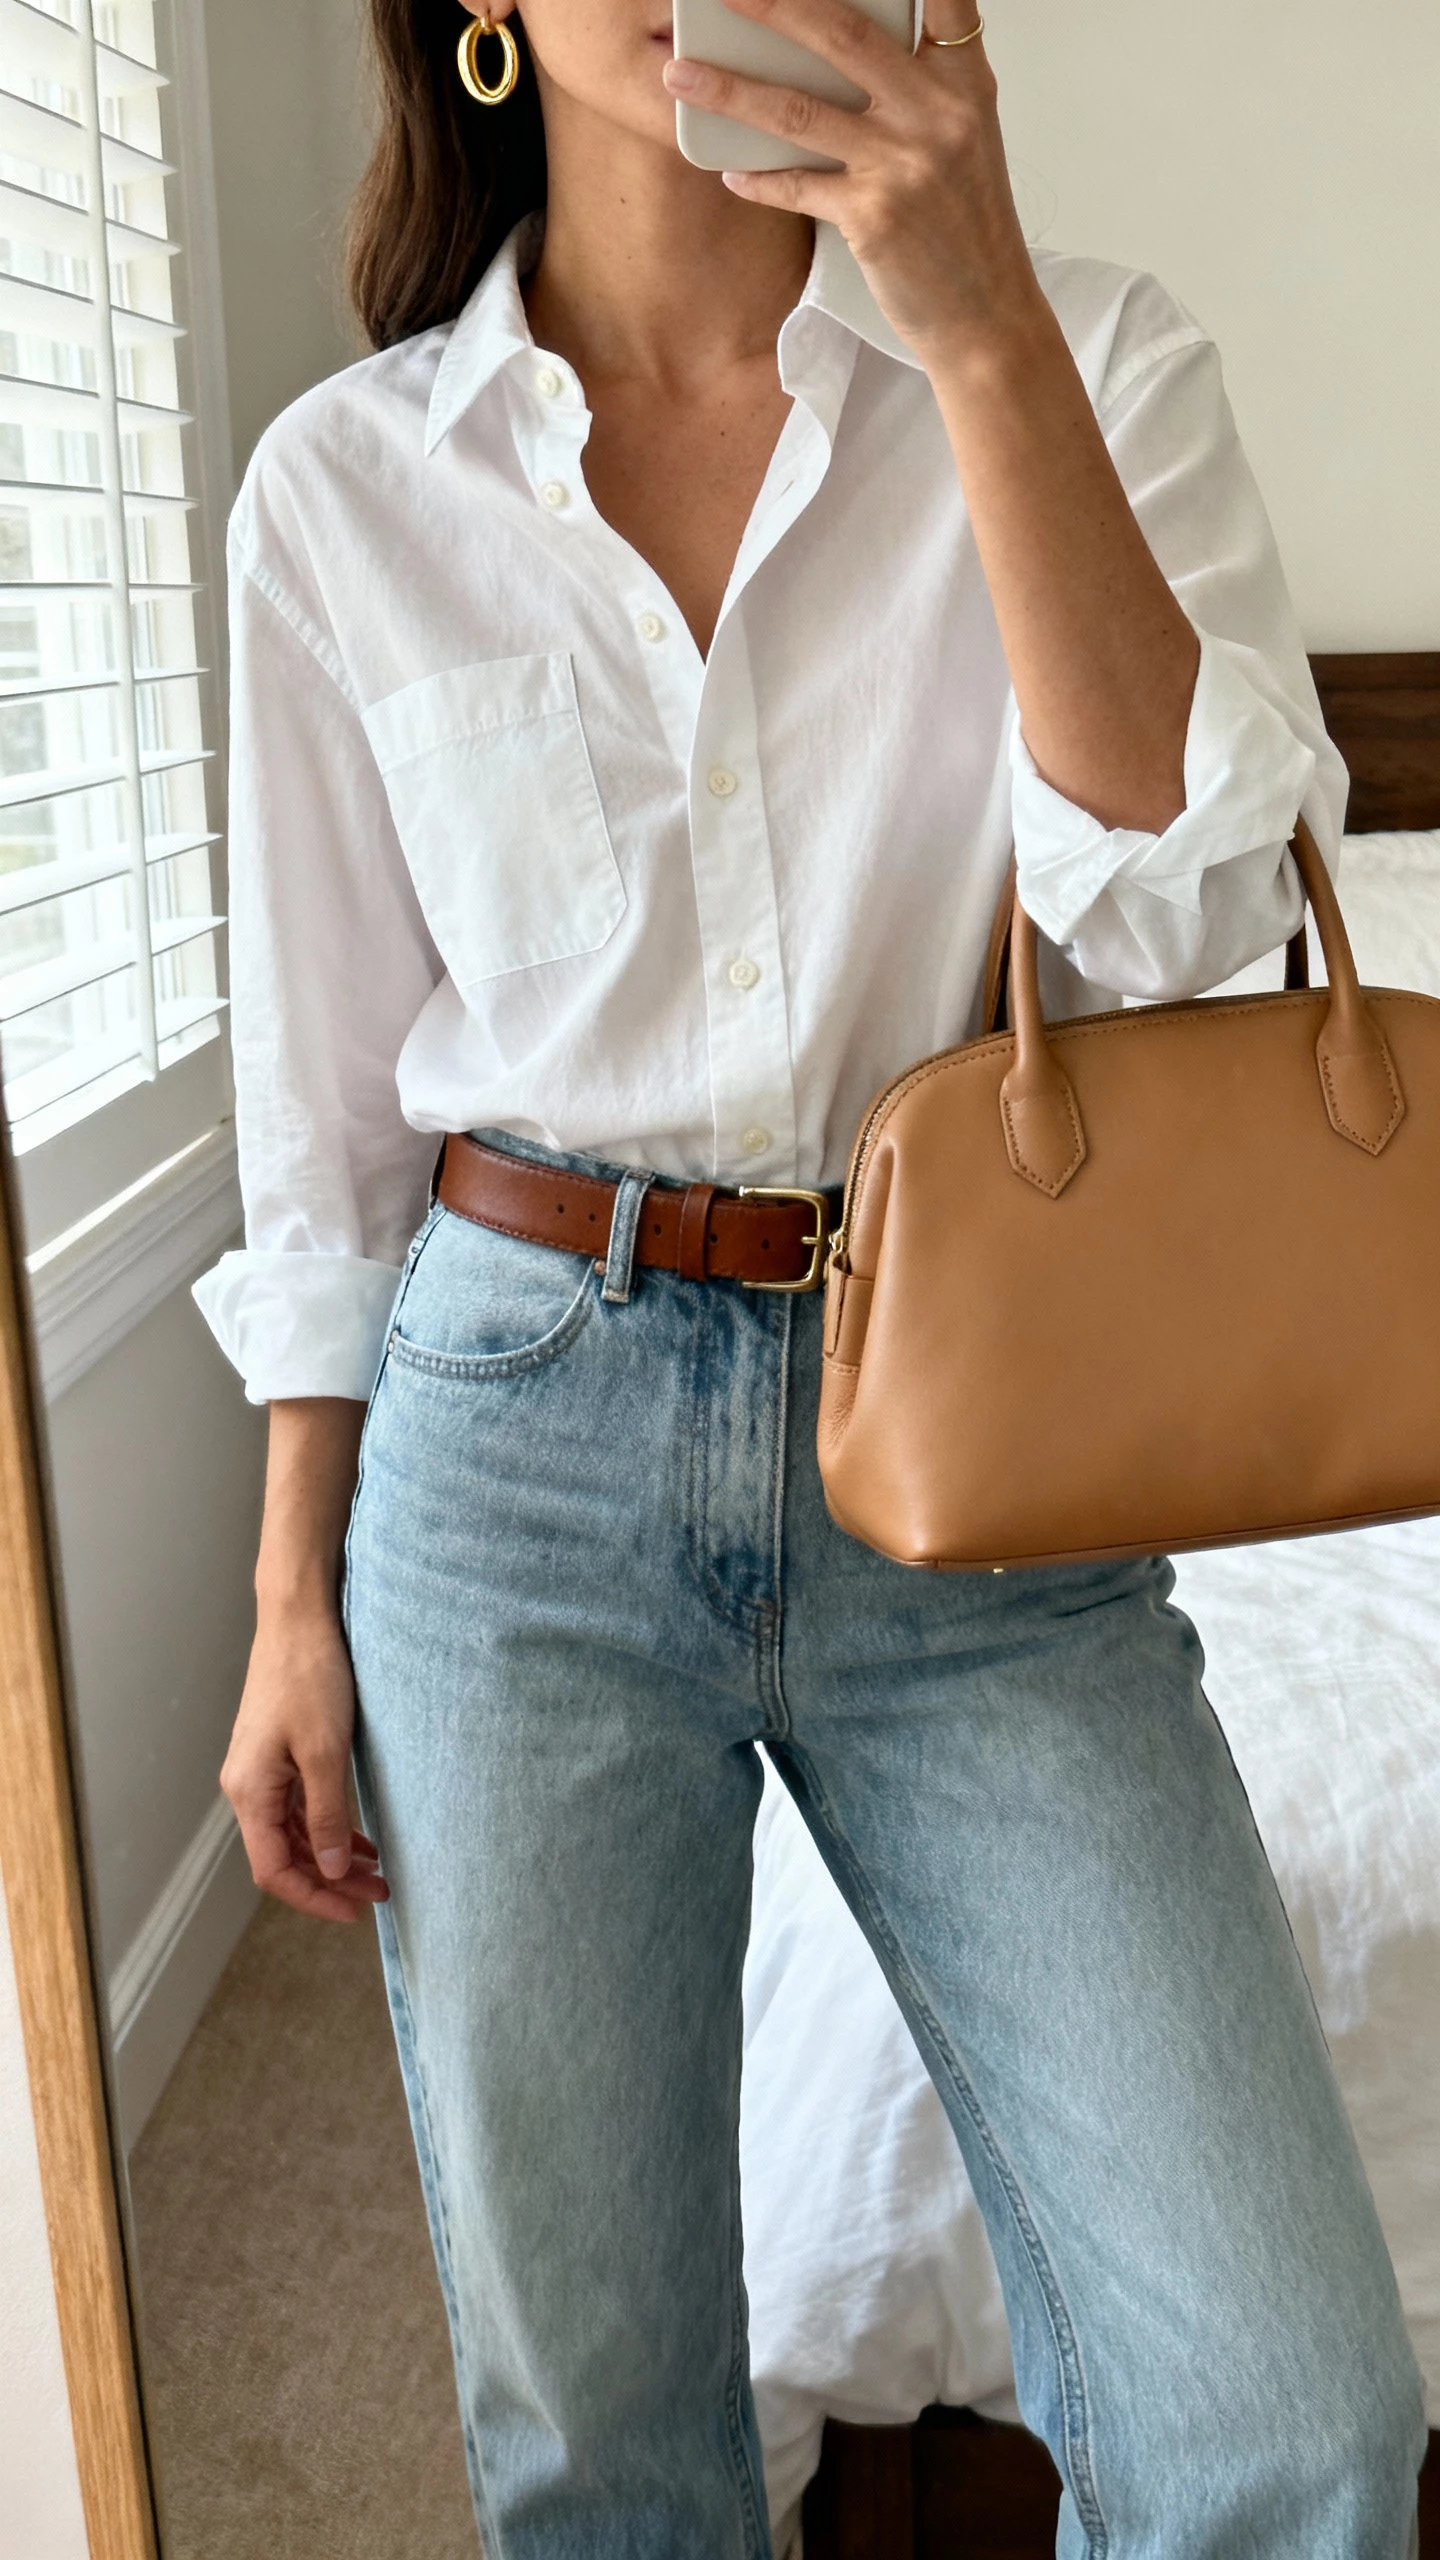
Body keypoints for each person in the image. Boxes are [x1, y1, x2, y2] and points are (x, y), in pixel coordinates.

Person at [194, 0, 1427, 2549]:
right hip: (509, 1446)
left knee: (1293, 2419)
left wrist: (971, 319)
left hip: (986, 1452)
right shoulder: (347, 488)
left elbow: (1192, 934)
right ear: (488, 15)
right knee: (602, 2440)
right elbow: (323, 1123)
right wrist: (287, 1590)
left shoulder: (1092, 356)